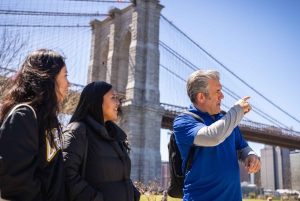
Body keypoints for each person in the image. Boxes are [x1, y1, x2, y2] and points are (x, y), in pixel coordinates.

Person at [173, 70, 261, 201]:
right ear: (201, 97)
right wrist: (237, 110)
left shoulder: (226, 120)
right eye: (217, 92)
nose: (222, 96)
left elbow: (242, 148)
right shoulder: (183, 121)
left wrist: (250, 155)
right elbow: (213, 136)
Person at [0, 49, 71, 200]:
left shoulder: (48, 119)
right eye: (65, 76)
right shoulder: (23, 116)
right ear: (48, 78)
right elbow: (17, 185)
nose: (69, 84)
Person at [62, 81, 140, 201]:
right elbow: (67, 175)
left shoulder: (116, 136)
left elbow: (120, 177)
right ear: (97, 101)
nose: (118, 102)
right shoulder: (78, 131)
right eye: (113, 98)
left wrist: (133, 193)